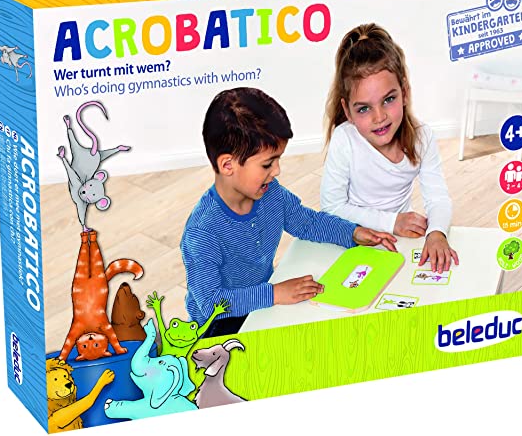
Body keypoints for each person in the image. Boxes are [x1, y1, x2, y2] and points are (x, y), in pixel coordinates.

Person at [181, 87, 397, 337]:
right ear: (228, 165)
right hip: (217, 329)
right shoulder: (202, 232)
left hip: (262, 306)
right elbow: (211, 304)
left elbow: (306, 222)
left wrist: (352, 233)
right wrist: (274, 293)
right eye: (267, 164)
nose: (277, 171)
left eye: (278, 160)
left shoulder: (270, 193)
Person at [321, 23, 459, 274]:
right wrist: (391, 222)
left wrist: (437, 233)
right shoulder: (345, 140)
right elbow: (332, 208)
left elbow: (438, 197)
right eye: (364, 108)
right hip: (354, 236)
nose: (379, 117)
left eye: (388, 99)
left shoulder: (422, 138)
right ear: (347, 111)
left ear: (404, 93)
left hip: (399, 238)